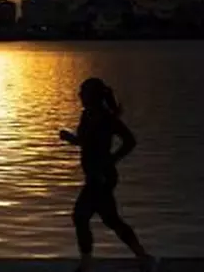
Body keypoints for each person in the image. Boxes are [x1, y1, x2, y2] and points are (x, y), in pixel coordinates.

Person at [58, 78, 156, 272]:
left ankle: (86, 264)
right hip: (93, 175)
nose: (79, 96)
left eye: (83, 92)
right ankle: (143, 258)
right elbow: (86, 142)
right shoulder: (87, 116)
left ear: (92, 95)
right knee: (111, 219)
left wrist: (112, 159)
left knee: (80, 216)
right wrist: (71, 138)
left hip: (102, 177)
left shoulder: (107, 118)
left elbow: (130, 141)